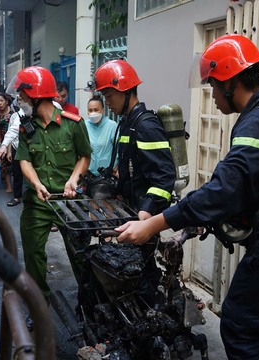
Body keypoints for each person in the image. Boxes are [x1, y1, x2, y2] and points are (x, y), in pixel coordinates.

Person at [115, 34, 259, 359]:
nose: (213, 95)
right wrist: (200, 222)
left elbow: (225, 190)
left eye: (213, 86)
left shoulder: (258, 122)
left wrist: (154, 225)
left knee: (239, 322)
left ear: (231, 82)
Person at [94, 59, 176, 305]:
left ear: (126, 91)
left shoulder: (146, 125)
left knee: (141, 275)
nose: (106, 103)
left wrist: (147, 209)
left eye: (109, 96)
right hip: (130, 210)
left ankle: (154, 318)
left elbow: (164, 175)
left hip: (142, 217)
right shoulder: (127, 124)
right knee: (137, 269)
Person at [13, 66, 92, 303]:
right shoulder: (26, 127)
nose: (20, 100)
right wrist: (36, 183)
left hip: (70, 201)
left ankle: (89, 304)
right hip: (39, 202)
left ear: (36, 95)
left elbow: (84, 156)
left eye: (23, 96)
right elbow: (24, 160)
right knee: (33, 252)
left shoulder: (73, 124)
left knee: (80, 254)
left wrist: (74, 178)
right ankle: (38, 303)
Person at [0, 96, 28, 207]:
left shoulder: (36, 112)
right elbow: (11, 132)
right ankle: (17, 197)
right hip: (17, 147)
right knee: (17, 172)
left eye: (23, 99)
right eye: (19, 100)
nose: (21, 102)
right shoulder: (16, 116)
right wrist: (7, 148)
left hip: (31, 148)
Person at [84, 95, 118, 178]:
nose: (93, 113)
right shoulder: (84, 125)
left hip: (108, 174)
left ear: (102, 110)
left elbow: (119, 150)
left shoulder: (112, 126)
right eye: (90, 110)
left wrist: (116, 168)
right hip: (88, 174)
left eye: (96, 110)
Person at [0, 93, 16, 195]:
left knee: (16, 164)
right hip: (3, 142)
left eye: (1, 101)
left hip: (15, 140)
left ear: (6, 101)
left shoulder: (14, 114)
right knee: (4, 165)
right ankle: (9, 185)